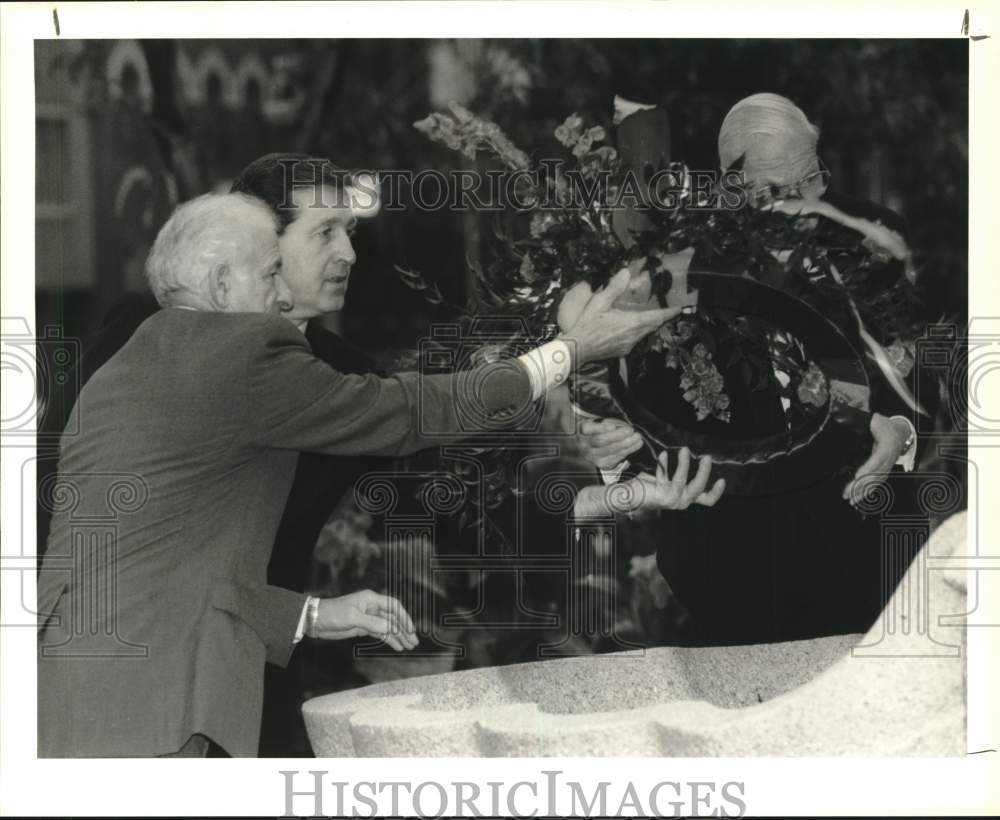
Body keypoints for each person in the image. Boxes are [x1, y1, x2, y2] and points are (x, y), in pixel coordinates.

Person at [36, 188, 681, 757]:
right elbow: (408, 413)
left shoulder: (123, 365)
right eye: (276, 267)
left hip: (65, 698)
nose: (284, 291)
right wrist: (567, 354)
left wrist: (315, 614)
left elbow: (157, 561)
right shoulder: (244, 349)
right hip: (161, 711)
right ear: (223, 283)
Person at [578, 93, 936, 645]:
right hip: (734, 566)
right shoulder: (673, 267)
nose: (802, 203)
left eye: (811, 178)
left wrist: (900, 430)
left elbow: (914, 370)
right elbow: (637, 406)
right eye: (776, 191)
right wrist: (612, 450)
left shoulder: (874, 235)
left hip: (872, 546)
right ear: (730, 187)